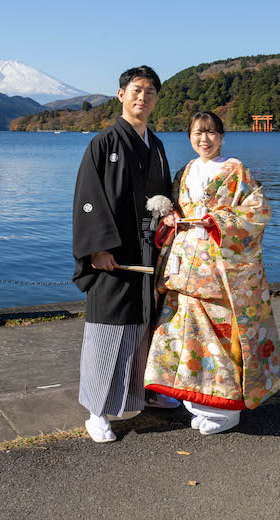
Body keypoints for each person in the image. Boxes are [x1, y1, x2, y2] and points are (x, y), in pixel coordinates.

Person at [144, 111, 280, 434]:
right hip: (185, 264)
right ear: (189, 138)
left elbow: (258, 211)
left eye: (210, 133)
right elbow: (178, 209)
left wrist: (219, 222)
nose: (204, 139)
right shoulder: (184, 173)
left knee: (220, 336)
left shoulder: (235, 170)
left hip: (219, 265)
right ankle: (198, 405)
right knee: (186, 336)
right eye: (197, 133)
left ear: (222, 137)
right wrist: (171, 219)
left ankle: (225, 412)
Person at [72, 66, 178, 443]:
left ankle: (145, 393)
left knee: (144, 325)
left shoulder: (157, 145)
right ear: (121, 95)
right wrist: (96, 248)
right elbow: (88, 199)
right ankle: (96, 410)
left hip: (148, 249)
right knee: (109, 327)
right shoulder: (103, 143)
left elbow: (166, 197)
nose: (143, 98)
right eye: (136, 90)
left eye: (150, 92)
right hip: (114, 254)